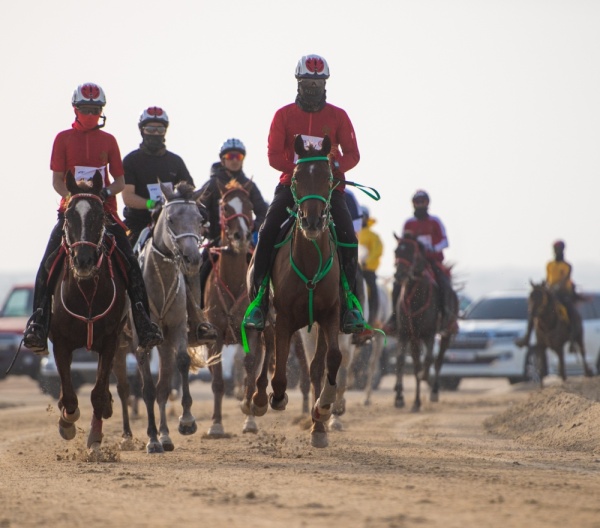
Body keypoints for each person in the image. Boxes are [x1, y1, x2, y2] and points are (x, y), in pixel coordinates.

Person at [23, 83, 162, 355]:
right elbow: (56, 180)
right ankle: (39, 324)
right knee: (47, 265)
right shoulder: (62, 139)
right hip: (71, 214)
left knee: (131, 264)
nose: (91, 114)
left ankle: (144, 324)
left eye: (95, 110)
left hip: (105, 213)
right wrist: (74, 200)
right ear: (75, 110)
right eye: (86, 110)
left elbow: (120, 180)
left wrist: (103, 194)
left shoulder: (108, 141)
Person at [243, 54, 366, 334]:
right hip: (292, 186)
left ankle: (350, 304)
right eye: (308, 82)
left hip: (329, 189)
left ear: (325, 84)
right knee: (268, 230)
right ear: (298, 82)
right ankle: (260, 301)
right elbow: (273, 155)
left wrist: (332, 168)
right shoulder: (283, 115)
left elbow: (354, 154)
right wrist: (300, 170)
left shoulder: (339, 116)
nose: (313, 87)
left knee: (348, 235)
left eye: (318, 82)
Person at [121, 106, 217, 347]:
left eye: (159, 128)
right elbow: (128, 197)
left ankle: (197, 321)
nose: (155, 132)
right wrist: (156, 204)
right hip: (140, 224)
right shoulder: (132, 160)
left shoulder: (175, 162)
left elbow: (191, 195)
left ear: (165, 131)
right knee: (123, 262)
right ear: (142, 131)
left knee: (193, 262)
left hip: (174, 227)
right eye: (150, 128)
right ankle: (122, 318)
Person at [197, 138, 268, 304]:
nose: (235, 160)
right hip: (216, 241)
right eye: (231, 156)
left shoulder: (249, 184)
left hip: (244, 240)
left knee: (264, 272)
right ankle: (197, 312)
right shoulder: (213, 184)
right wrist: (204, 227)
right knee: (201, 268)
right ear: (223, 159)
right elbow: (199, 208)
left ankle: (265, 311)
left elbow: (263, 212)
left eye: (239, 157)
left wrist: (252, 227)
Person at [386, 189, 455, 333]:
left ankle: (446, 316)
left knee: (443, 283)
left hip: (432, 262)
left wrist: (431, 248)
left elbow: (445, 241)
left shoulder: (435, 221)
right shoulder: (408, 223)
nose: (420, 204)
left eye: (422, 201)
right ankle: (394, 319)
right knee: (397, 284)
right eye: (417, 202)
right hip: (413, 264)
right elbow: (404, 242)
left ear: (427, 203)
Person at [517, 240, 582, 351]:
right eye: (555, 250)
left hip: (563, 294)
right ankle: (527, 337)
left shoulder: (567, 266)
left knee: (571, 312)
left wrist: (557, 287)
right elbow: (548, 279)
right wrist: (544, 287)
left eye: (559, 250)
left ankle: (572, 340)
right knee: (534, 310)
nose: (557, 252)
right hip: (551, 293)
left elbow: (565, 279)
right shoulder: (549, 265)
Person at [357, 206, 383, 326]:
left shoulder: (373, 236)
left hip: (367, 271)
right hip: (353, 269)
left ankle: (372, 319)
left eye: (363, 216)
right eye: (359, 215)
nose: (361, 218)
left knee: (373, 291)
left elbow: (377, 251)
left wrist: (366, 262)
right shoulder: (352, 231)